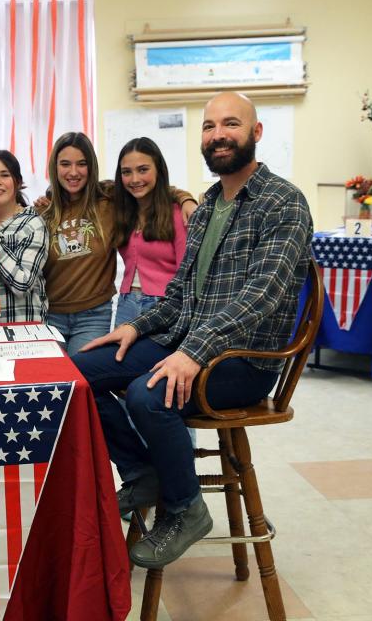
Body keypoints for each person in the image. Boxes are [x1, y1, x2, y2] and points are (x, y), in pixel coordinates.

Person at [72, 93, 313, 570]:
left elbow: (261, 296)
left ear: (256, 133)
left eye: (231, 124)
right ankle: (144, 473)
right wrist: (135, 328)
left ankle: (185, 508)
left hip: (243, 360)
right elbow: (180, 293)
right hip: (189, 343)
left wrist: (195, 352)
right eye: (208, 127)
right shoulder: (205, 208)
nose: (218, 135)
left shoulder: (283, 202)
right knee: (76, 373)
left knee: (146, 394)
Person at [40, 132, 195, 355]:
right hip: (60, 314)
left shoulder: (108, 200)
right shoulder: (44, 211)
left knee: (91, 375)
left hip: (101, 315)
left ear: (91, 167)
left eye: (81, 164)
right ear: (54, 168)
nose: (73, 172)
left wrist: (185, 198)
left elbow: (155, 189)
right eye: (65, 164)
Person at [113, 137, 192, 327]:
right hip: (126, 302)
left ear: (158, 170)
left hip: (164, 305)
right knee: (113, 357)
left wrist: (186, 198)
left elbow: (186, 275)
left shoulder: (177, 214)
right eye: (127, 172)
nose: (135, 179)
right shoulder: (121, 210)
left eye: (143, 170)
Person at [0, 149, 48, 323]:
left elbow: (22, 284)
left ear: (18, 181)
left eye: (4, 175)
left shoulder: (32, 223)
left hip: (23, 331)